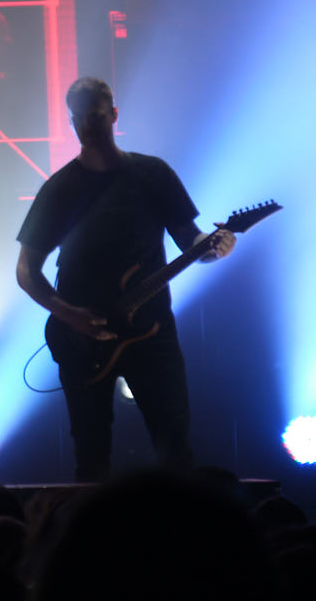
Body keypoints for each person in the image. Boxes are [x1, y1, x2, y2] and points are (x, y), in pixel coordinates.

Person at [15, 77, 235, 481]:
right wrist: (70, 314)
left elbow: (189, 237)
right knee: (91, 455)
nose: (87, 125)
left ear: (114, 115)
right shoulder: (60, 189)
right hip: (83, 338)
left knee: (176, 449)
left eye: (96, 115)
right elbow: (26, 270)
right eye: (80, 118)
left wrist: (214, 245)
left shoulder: (152, 174)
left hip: (152, 332)